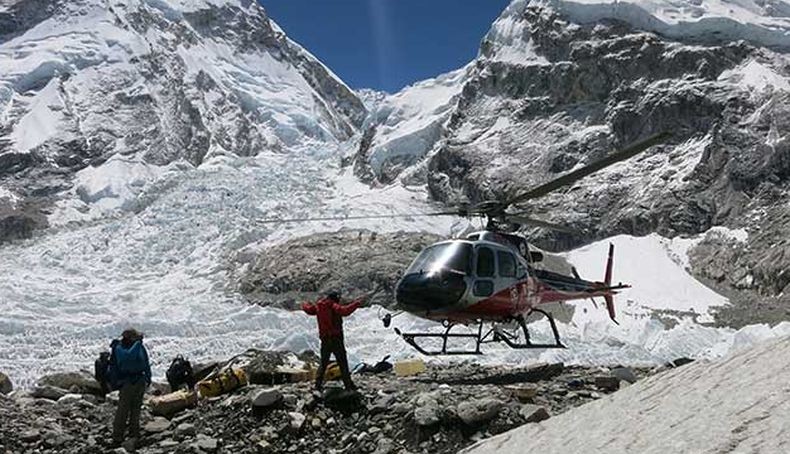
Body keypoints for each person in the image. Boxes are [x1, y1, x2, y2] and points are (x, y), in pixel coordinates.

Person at [302, 290, 365, 392]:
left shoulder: (319, 306)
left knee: (324, 363)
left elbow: (309, 310)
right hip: (336, 339)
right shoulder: (333, 305)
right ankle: (348, 385)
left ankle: (317, 385)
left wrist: (304, 304)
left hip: (325, 339)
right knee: (342, 363)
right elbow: (345, 311)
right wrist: (356, 303)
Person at [110, 328, 152, 449]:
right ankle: (117, 436)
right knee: (123, 410)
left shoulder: (139, 347)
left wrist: (148, 377)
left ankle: (134, 434)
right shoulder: (119, 348)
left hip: (139, 380)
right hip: (127, 382)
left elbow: (145, 362)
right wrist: (138, 343)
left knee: (136, 409)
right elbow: (129, 357)